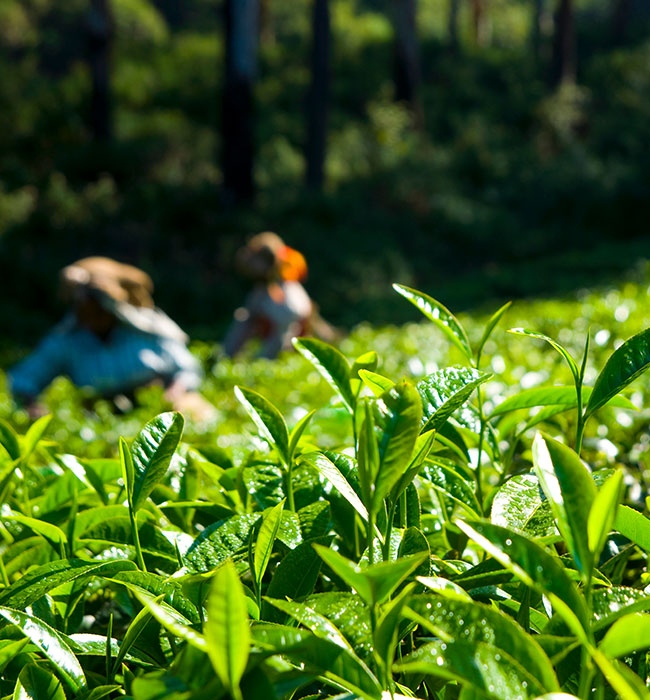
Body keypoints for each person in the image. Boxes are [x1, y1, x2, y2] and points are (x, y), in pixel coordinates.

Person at [8, 256, 211, 419]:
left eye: (99, 310)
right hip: (103, 418)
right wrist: (31, 405)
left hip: (161, 409)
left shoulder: (146, 330)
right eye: (85, 311)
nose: (92, 317)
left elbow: (187, 368)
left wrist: (175, 392)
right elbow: (25, 378)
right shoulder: (68, 342)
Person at [223, 232, 337, 359]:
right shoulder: (261, 290)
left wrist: (263, 360)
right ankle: (225, 357)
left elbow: (289, 322)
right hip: (274, 332)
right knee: (243, 317)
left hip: (295, 339)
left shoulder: (287, 289)